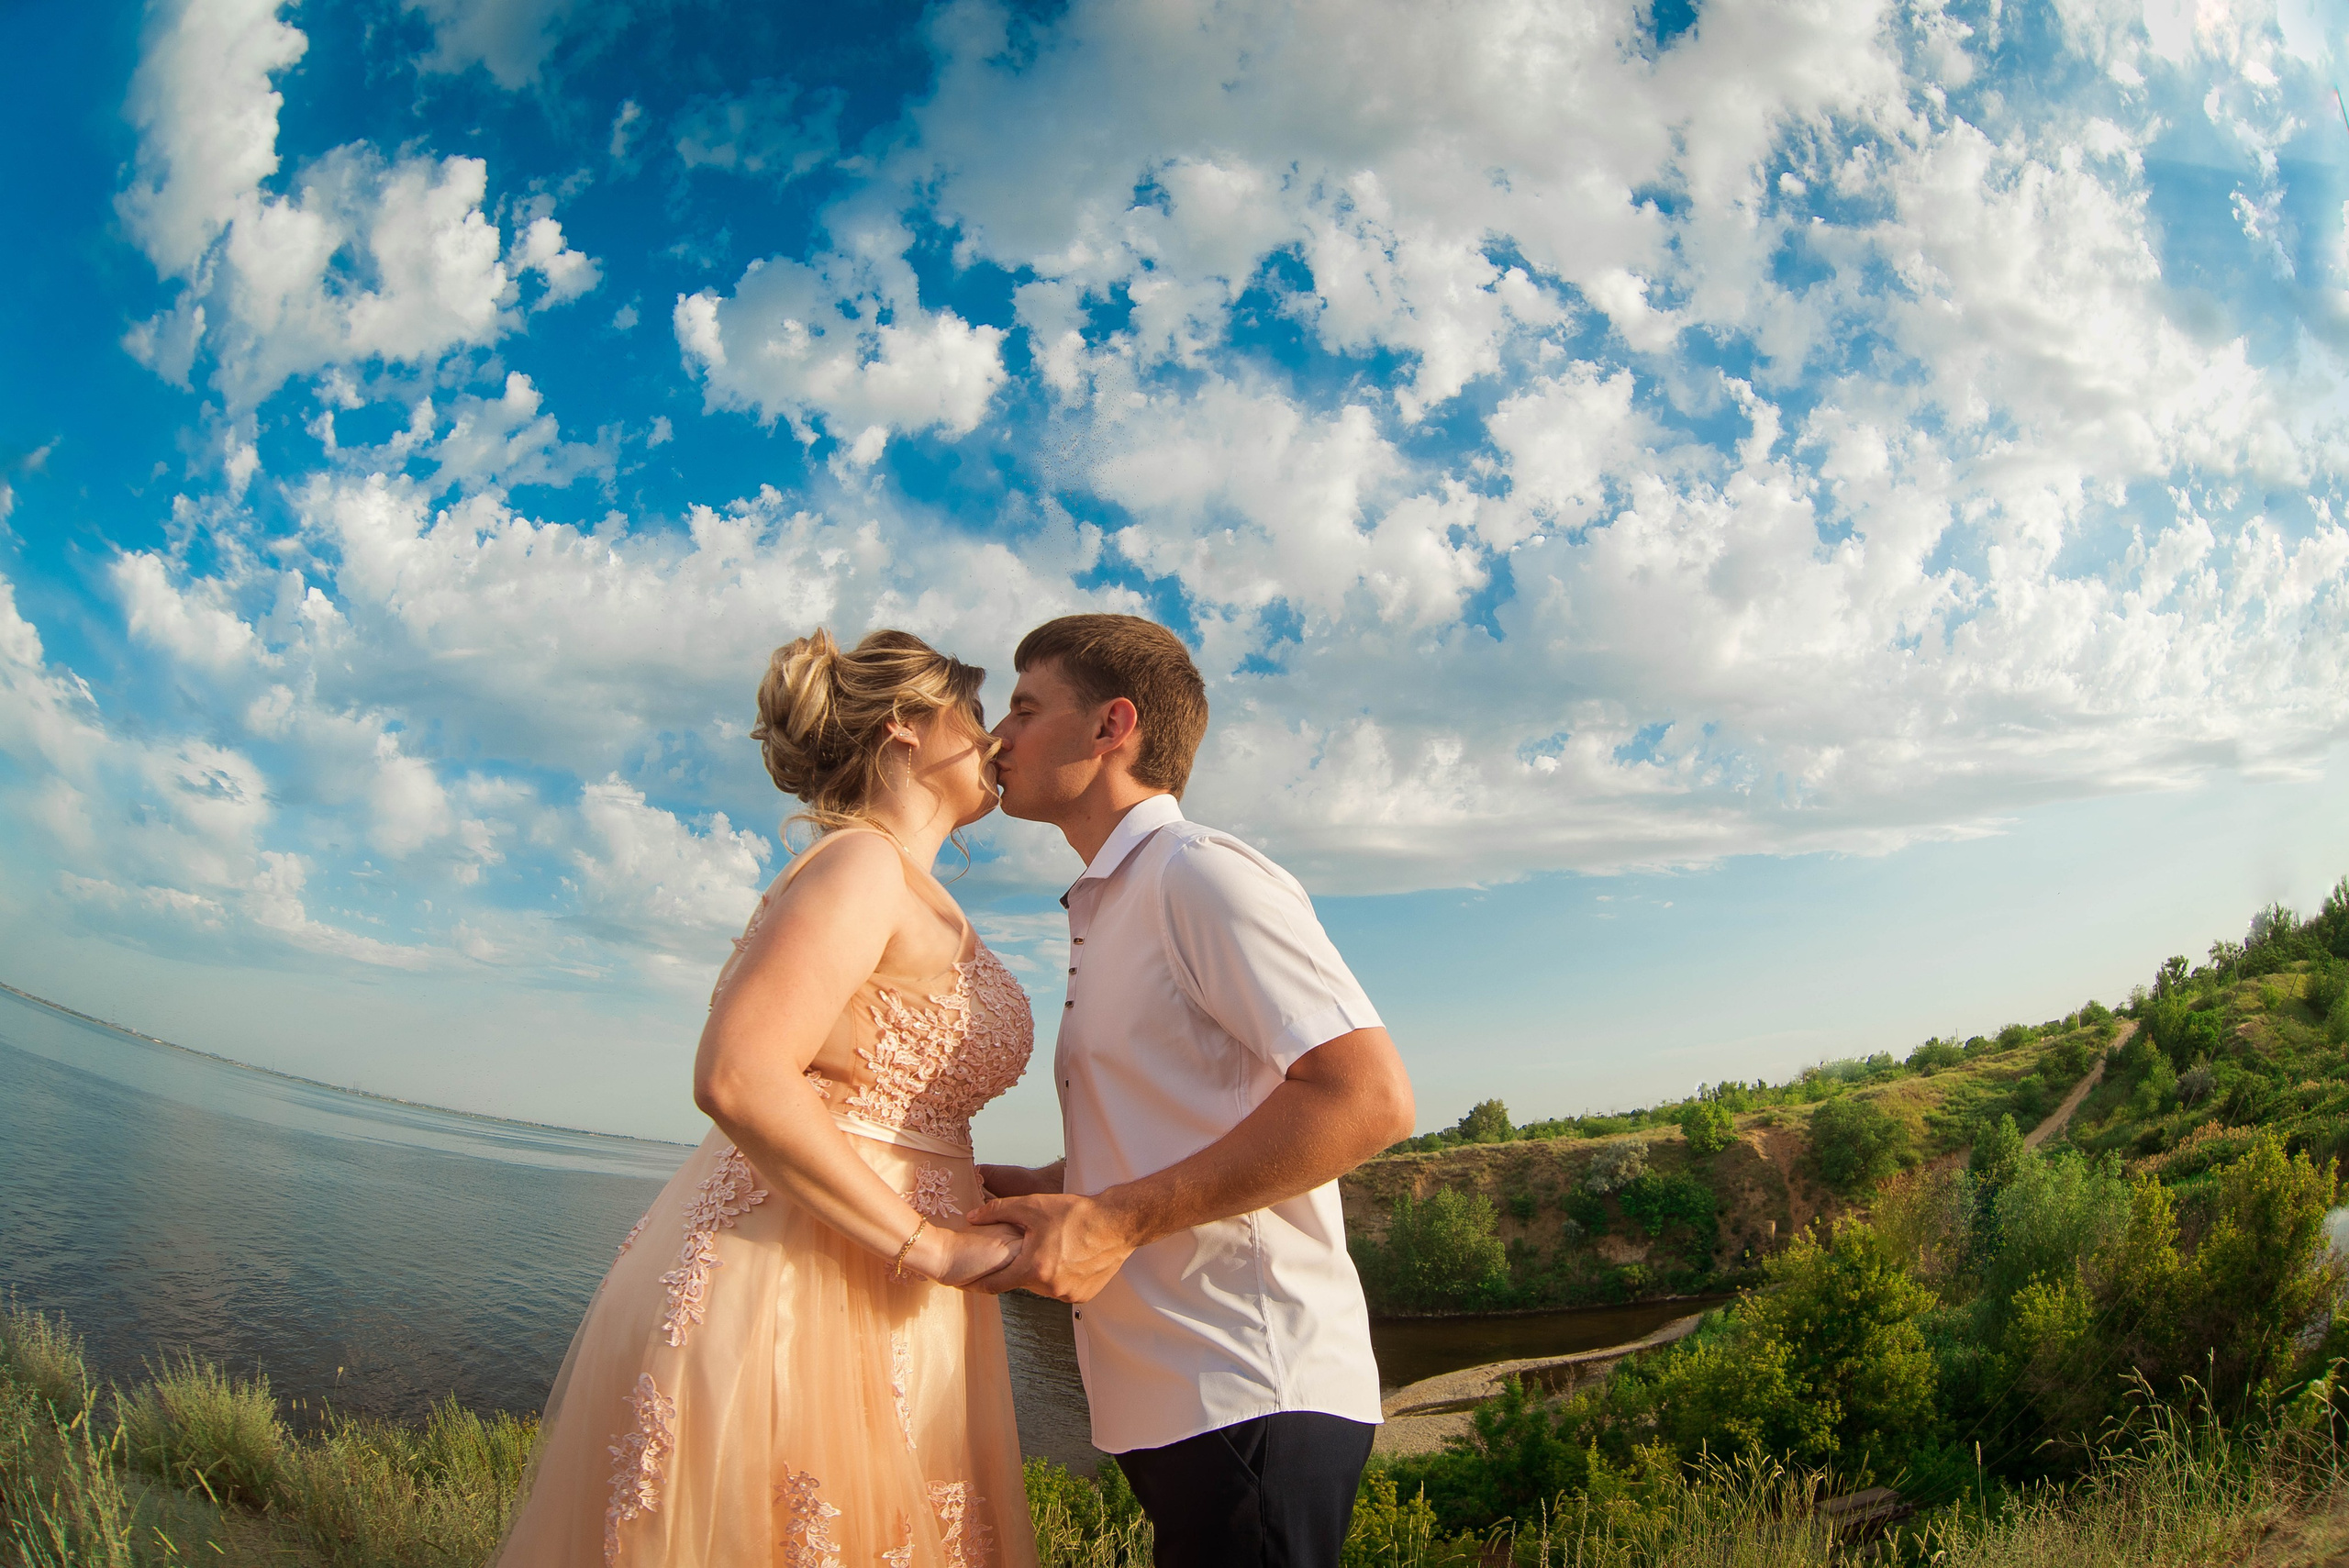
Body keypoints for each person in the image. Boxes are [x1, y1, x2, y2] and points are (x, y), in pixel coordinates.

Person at [495, 628, 1041, 1568]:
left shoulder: (910, 887)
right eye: (977, 712)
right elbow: (740, 1073)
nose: (993, 737)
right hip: (803, 1278)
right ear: (907, 727)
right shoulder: (860, 866)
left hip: (891, 1278)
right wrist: (933, 1242)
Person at [971, 614, 1416, 1568]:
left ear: (1110, 726)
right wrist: (1007, 1186)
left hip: (1250, 1382)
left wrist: (1117, 1221)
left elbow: (1367, 1095)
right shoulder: (1113, 902)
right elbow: (1161, 1130)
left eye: (1021, 707)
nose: (993, 737)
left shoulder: (1198, 873)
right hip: (1175, 1398)